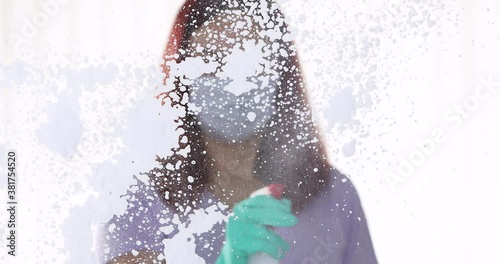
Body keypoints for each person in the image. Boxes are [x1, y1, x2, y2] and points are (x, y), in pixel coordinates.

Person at [98, 0, 378, 263]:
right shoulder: (136, 204)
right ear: (182, 77)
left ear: (280, 72)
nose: (234, 80)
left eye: (251, 59)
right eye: (211, 60)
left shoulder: (334, 196)